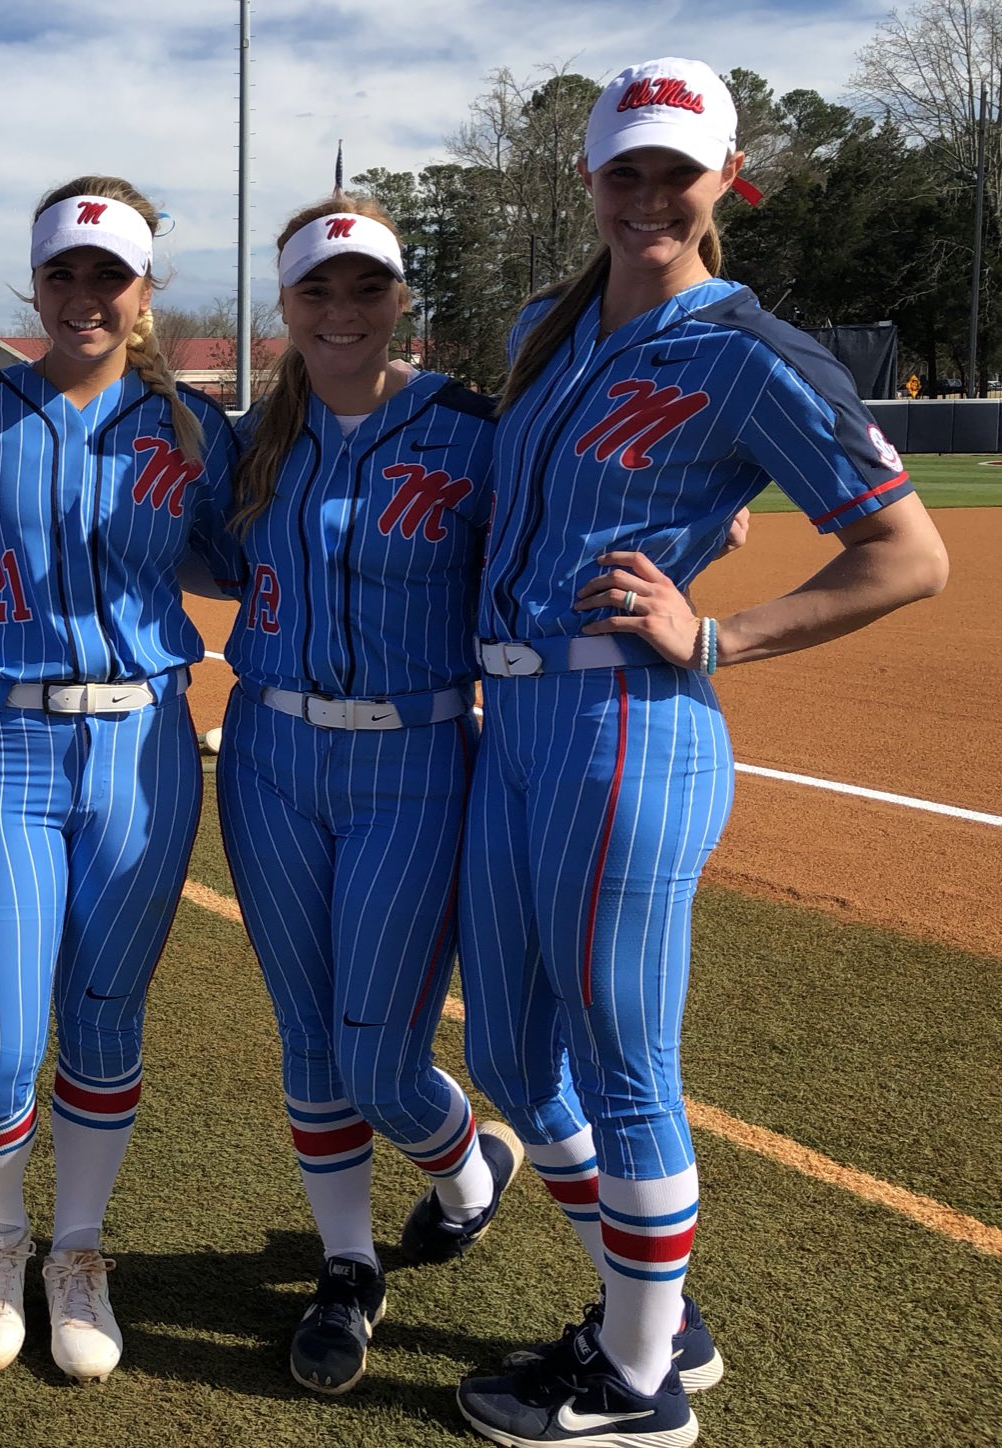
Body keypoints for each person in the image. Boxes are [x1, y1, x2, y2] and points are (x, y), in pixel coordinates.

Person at [453, 58, 947, 1448]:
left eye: (678, 171)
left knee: (621, 1066)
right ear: (586, 182)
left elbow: (906, 557)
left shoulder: (746, 350)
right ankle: (649, 1304)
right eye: (625, 170)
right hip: (515, 727)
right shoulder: (545, 327)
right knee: (507, 1049)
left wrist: (715, 634)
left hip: (626, 729)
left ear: (722, 182)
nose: (649, 196)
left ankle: (629, 1385)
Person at [0, 175, 240, 1384]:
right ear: (35, 282)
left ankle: (77, 1249)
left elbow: (295, 531)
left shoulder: (199, 427)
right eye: (63, 273)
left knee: (104, 1023)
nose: (84, 296)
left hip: (146, 742)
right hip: (2, 738)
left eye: (109, 276)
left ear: (144, 292)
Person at [214, 195, 523, 1396]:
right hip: (269, 754)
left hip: (415, 757)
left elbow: (567, 524)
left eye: (364, 287)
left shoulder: (470, 430)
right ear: (285, 308)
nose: (340, 310)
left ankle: (466, 1175)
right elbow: (196, 552)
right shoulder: (256, 436)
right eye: (315, 291)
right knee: (306, 1039)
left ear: (401, 298)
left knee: (384, 1059)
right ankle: (347, 1265)